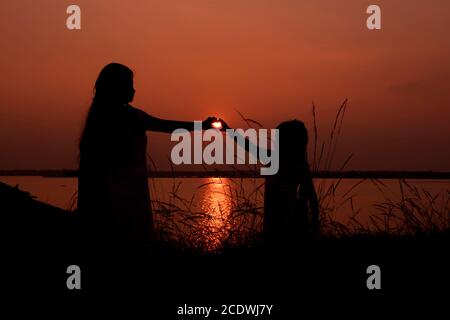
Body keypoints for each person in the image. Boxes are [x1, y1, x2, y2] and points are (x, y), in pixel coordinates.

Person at [77, 63, 217, 257]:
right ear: (116, 87)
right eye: (129, 85)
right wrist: (202, 126)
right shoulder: (130, 117)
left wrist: (201, 125)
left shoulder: (98, 120)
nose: (133, 90)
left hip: (113, 197)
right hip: (124, 198)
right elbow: (167, 126)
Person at [218, 119, 320, 248]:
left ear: (289, 142)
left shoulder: (290, 162)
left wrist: (313, 220)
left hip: (286, 224)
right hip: (282, 223)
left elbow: (310, 195)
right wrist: (228, 130)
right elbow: (312, 197)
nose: (275, 141)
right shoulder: (296, 163)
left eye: (279, 138)